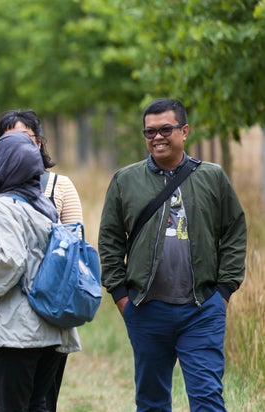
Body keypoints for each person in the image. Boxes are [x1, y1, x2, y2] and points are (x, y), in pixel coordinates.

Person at [98, 98, 247, 411]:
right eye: (149, 132)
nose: (157, 137)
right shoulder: (126, 181)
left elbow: (234, 231)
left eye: (165, 129)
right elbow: (110, 241)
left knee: (207, 398)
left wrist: (223, 290)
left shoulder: (212, 177)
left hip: (202, 309)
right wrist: (121, 295)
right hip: (146, 308)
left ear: (185, 131)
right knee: (151, 402)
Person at [0, 109, 83, 412]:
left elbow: (9, 263)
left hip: (18, 329)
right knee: (39, 404)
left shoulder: (1, 205)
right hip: (52, 325)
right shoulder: (44, 205)